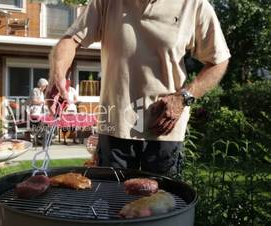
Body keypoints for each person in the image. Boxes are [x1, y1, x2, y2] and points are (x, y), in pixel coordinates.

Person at [47, 0, 230, 178]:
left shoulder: (194, 5)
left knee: (161, 205)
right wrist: (58, 76)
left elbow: (219, 61)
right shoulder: (106, 3)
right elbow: (69, 41)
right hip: (115, 127)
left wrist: (184, 97)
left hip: (164, 130)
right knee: (111, 203)